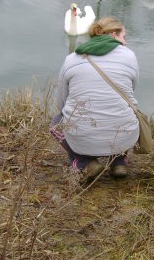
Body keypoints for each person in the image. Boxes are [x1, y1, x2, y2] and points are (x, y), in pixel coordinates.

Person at [51, 16, 139, 184]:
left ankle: (85, 162)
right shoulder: (129, 56)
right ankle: (119, 162)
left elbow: (62, 102)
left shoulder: (71, 59)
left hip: (82, 137)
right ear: (113, 35)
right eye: (123, 37)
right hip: (124, 136)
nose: (125, 43)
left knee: (56, 121)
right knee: (127, 109)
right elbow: (131, 94)